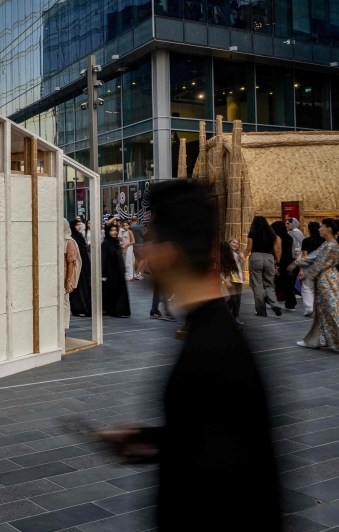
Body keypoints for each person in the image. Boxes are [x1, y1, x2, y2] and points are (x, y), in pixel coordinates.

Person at [98, 179, 281, 532]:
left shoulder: (210, 352)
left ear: (169, 252)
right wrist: (151, 441)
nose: (144, 255)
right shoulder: (214, 335)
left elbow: (227, 491)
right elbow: (210, 439)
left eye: (149, 242)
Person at [290, 218, 339, 353]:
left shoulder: (331, 245)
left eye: (321, 227)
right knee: (322, 311)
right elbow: (313, 256)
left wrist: (301, 269)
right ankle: (316, 340)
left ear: (329, 229)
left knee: (334, 310)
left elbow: (318, 263)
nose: (319, 229)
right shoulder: (328, 244)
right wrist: (297, 264)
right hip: (326, 280)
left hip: (328, 281)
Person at [245, 216, 282, 317]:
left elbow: (249, 248)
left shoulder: (253, 233)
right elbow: (276, 250)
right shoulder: (272, 234)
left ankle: (261, 311)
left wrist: (242, 257)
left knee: (257, 285)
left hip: (256, 257)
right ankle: (275, 304)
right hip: (269, 258)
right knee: (269, 284)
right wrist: (277, 262)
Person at [102, 223, 131, 317]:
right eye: (111, 230)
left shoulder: (116, 242)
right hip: (111, 272)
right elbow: (103, 259)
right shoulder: (105, 244)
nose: (114, 232)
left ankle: (121, 310)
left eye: (115, 230)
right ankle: (114, 310)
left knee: (120, 291)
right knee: (113, 291)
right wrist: (104, 273)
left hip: (119, 271)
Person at [298, 222, 323, 317]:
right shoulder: (324, 240)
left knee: (307, 288)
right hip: (321, 266)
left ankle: (309, 307)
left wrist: (301, 269)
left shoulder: (306, 241)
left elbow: (304, 256)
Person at [69, 218, 92, 317]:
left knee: (85, 286)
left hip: (84, 266)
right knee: (77, 288)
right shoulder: (72, 238)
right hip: (76, 266)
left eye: (80, 224)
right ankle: (78, 309)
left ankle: (86, 307)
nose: (79, 226)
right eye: (77, 225)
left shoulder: (80, 236)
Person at [271, 221, 297, 310]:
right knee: (286, 283)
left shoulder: (277, 238)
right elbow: (291, 249)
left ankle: (270, 300)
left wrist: (276, 263)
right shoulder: (289, 237)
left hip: (281, 261)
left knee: (278, 282)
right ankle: (291, 303)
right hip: (289, 260)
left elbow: (278, 251)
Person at [62, 220, 82, 331]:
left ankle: (64, 327)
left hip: (65, 277)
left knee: (65, 301)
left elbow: (71, 262)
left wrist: (68, 281)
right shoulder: (58, 240)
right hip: (58, 276)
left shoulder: (69, 242)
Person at [220, 241, 243, 325]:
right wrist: (225, 281)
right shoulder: (224, 254)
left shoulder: (238, 255)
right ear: (228, 244)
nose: (235, 244)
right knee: (234, 299)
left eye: (237, 243)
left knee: (238, 299)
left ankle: (235, 317)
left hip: (239, 279)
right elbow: (221, 269)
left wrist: (241, 258)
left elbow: (240, 267)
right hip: (230, 279)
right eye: (233, 242)